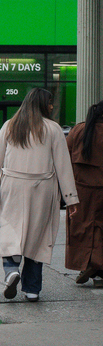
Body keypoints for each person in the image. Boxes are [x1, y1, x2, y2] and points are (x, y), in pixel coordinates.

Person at [0, 88, 79, 302]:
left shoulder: (10, 126)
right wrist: (71, 198)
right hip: (42, 187)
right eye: (50, 102)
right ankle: (32, 288)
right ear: (42, 105)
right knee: (38, 236)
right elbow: (63, 166)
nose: (52, 106)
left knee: (10, 230)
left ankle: (11, 270)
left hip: (12, 185)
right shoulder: (53, 129)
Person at [65, 100, 103, 284]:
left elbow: (64, 156)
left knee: (81, 229)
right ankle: (98, 267)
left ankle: (88, 264)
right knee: (99, 229)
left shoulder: (79, 130)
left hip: (80, 190)